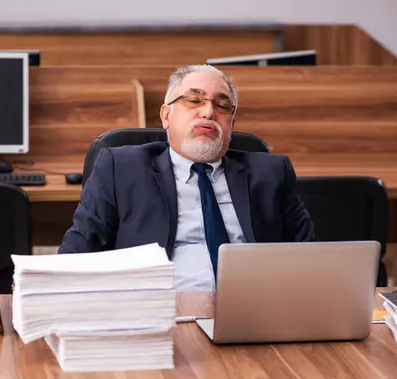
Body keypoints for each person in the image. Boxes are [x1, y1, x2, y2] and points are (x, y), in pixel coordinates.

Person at [58, 65, 314, 291]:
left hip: (254, 309)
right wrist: (45, 284)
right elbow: (82, 244)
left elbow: (308, 256)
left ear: (231, 124)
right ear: (166, 115)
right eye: (194, 100)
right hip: (159, 310)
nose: (208, 112)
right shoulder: (121, 168)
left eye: (222, 105)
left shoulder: (271, 173)